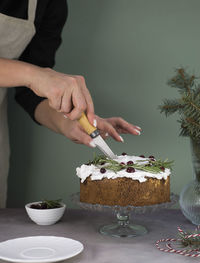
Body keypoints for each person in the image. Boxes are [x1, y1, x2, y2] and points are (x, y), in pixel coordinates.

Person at [0, 0, 141, 208]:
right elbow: (34, 79)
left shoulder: (50, 5)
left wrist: (70, 122)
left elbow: (31, 94)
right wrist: (35, 75)